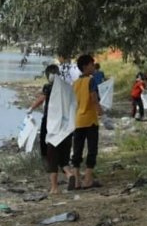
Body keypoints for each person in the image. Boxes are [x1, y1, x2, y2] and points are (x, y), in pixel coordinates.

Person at [27, 64, 72, 194]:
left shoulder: (49, 87)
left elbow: (42, 98)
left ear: (48, 76)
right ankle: (69, 174)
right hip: (66, 124)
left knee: (51, 153)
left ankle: (54, 187)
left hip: (51, 123)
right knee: (64, 155)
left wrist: (31, 108)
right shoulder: (67, 87)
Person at [71, 54, 104, 190]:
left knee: (77, 151)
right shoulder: (91, 81)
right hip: (90, 120)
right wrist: (102, 113)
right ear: (85, 66)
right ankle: (88, 179)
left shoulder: (75, 83)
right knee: (92, 150)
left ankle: (77, 180)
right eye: (92, 64)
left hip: (78, 120)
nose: (93, 66)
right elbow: (94, 98)